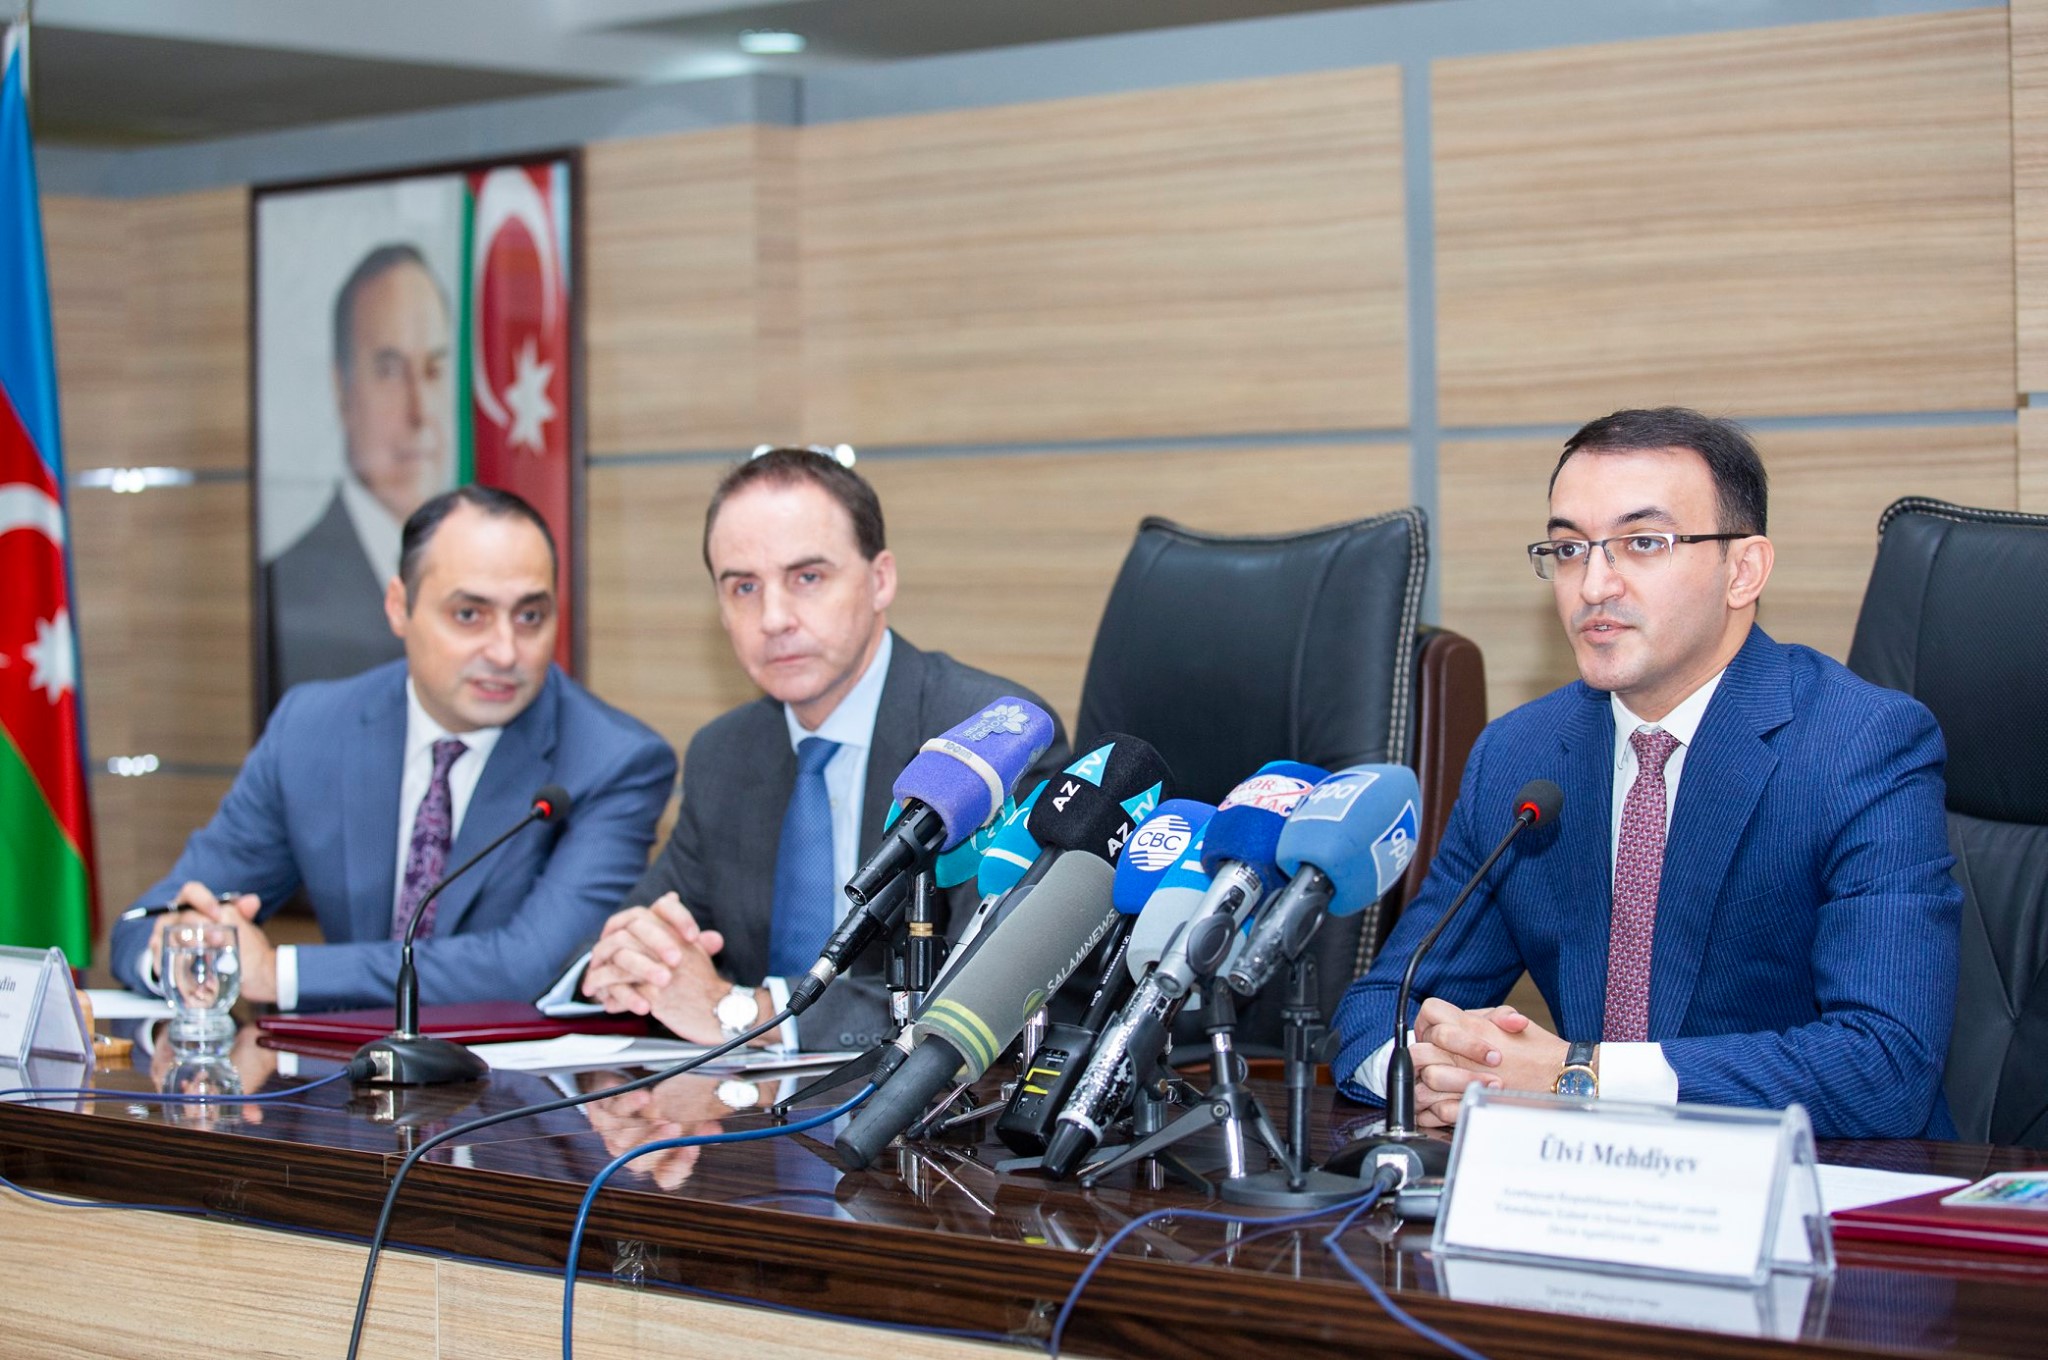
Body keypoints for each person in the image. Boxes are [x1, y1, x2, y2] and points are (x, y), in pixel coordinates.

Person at [1331, 407, 1961, 1140]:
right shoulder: (1520, 757)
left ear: (1743, 571)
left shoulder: (1861, 745)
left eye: (1643, 543)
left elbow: (1886, 1066)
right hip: (1573, 1183)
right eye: (1570, 549)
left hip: (1816, 1188)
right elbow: (1382, 1006)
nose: (1594, 585)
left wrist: (1579, 1077)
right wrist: (1428, 1076)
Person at [543, 446, 1071, 1052]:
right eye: (744, 586)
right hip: (749, 1104)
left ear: (880, 580)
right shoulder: (724, 754)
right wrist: (624, 962)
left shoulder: (992, 740)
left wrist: (743, 1014)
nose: (773, 618)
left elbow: (996, 983)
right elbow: (642, 928)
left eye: (808, 578)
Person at [112, 485, 676, 1012]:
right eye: (469, 615)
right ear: (398, 607)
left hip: (515, 1082)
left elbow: (531, 966)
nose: (506, 652)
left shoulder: (614, 761)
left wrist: (278, 974)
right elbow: (145, 921)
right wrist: (182, 943)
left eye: (530, 616)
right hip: (341, 1077)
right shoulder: (311, 729)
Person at [266, 243, 453, 696]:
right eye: (390, 371)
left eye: (433, 370)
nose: (420, 411)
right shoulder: (283, 590)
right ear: (341, 390)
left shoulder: (483, 577)